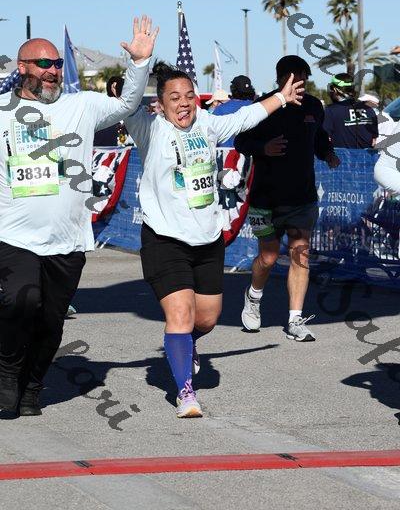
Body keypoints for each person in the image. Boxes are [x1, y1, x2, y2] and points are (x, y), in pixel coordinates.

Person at [124, 61, 304, 418]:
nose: (184, 103)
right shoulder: (149, 128)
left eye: (189, 96)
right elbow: (129, 102)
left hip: (207, 239)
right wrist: (138, 63)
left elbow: (245, 118)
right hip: (165, 239)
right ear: (160, 103)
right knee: (180, 314)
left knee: (206, 319)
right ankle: (185, 392)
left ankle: (184, 344)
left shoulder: (207, 123)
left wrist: (281, 98)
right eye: (175, 97)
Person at [0, 15, 158, 416]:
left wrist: (139, 63)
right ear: (23, 68)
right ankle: (7, 372)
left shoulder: (81, 105)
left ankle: (32, 386)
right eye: (44, 64)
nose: (53, 71)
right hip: (13, 236)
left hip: (68, 239)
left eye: (56, 64)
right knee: (21, 301)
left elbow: (127, 104)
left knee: (51, 320)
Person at [235, 55, 340, 341]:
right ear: (281, 78)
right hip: (265, 198)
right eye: (294, 78)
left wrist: (328, 154)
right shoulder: (264, 106)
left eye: (304, 78)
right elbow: (241, 141)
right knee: (268, 258)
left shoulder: (314, 106)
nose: (300, 83)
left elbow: (317, 137)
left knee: (300, 254)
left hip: (302, 197)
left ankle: (295, 320)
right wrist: (263, 148)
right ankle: (254, 297)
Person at [323, 74, 378, 148]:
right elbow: (374, 141)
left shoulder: (330, 111)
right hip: (366, 155)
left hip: (340, 155)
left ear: (335, 90)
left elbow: (325, 139)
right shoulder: (369, 109)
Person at [212, 75, 256, 146]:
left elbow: (211, 134)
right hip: (252, 151)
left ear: (232, 89)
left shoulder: (221, 109)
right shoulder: (256, 107)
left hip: (227, 152)